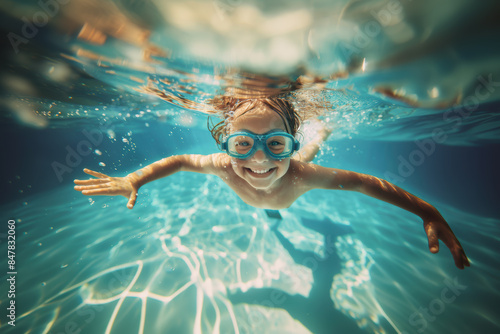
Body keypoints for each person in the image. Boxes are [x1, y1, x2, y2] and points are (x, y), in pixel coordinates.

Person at [74, 97, 470, 269]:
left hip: (293, 178)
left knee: (307, 157)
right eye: (243, 144)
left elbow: (367, 184)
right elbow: (179, 161)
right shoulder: (222, 165)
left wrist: (427, 210)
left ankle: (316, 137)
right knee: (279, 196)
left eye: (276, 143)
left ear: (287, 141)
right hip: (276, 195)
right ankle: (283, 198)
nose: (259, 158)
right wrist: (135, 179)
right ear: (224, 145)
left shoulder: (299, 170)